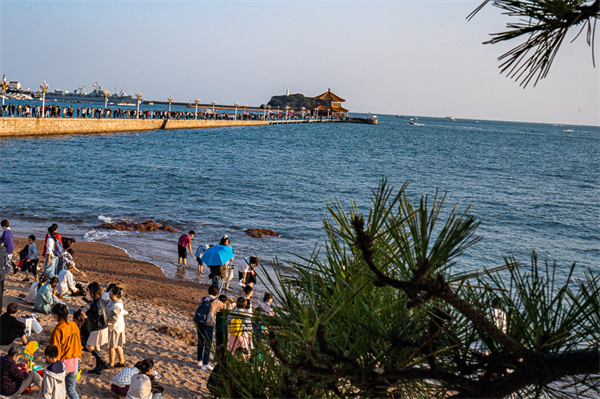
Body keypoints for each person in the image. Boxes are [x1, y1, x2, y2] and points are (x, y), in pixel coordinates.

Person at [49, 303, 82, 399]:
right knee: (71, 389)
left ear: (56, 315)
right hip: (75, 362)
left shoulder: (58, 329)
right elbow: (78, 342)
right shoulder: (73, 325)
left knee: (58, 390)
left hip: (63, 364)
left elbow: (55, 349)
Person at [195, 284, 225, 371]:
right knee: (208, 344)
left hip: (200, 321)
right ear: (217, 293)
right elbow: (226, 307)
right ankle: (205, 364)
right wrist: (233, 304)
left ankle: (199, 360)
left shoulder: (203, 299)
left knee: (200, 342)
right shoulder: (216, 301)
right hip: (209, 324)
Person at [85, 282, 110, 374]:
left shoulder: (96, 304)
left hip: (98, 328)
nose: (88, 293)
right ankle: (98, 367)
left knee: (88, 346)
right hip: (103, 327)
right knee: (96, 346)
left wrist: (87, 312)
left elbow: (95, 318)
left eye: (89, 291)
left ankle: (102, 362)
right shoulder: (100, 300)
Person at [107, 285, 128, 368]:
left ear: (115, 295)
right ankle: (121, 361)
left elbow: (114, 318)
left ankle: (111, 363)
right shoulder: (115, 302)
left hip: (114, 328)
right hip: (119, 327)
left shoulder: (117, 305)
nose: (109, 293)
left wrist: (105, 320)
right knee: (118, 345)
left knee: (111, 346)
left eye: (110, 292)